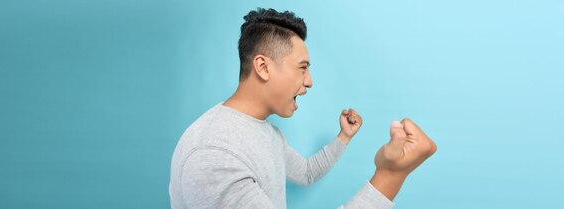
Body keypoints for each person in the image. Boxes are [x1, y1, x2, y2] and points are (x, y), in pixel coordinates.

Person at [168, 8, 437, 209]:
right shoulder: (214, 155)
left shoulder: (266, 132)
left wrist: (344, 137)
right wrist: (391, 175)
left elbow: (306, 173)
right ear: (263, 67)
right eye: (302, 68)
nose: (309, 81)